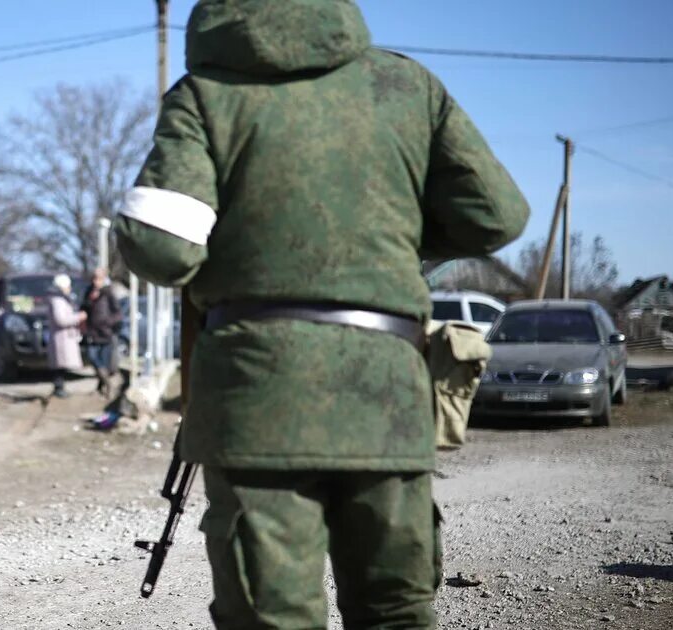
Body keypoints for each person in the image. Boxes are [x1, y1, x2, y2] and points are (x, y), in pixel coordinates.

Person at [114, 1, 530, 628]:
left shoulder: (206, 94)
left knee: (272, 615)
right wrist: (379, 251)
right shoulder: (406, 85)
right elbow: (497, 215)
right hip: (385, 395)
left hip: (258, 397)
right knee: (396, 610)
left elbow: (162, 248)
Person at [81, 268, 122, 397]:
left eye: (98, 278)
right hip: (91, 332)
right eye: (94, 278)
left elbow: (118, 314)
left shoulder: (108, 292)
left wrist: (107, 323)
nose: (95, 281)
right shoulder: (89, 292)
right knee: (93, 358)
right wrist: (90, 301)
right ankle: (108, 384)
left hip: (105, 333)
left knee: (104, 362)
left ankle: (102, 388)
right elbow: (83, 308)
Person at [46, 273, 85, 398]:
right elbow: (61, 319)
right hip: (61, 337)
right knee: (59, 365)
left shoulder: (60, 299)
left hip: (63, 337)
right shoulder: (58, 300)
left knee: (60, 365)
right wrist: (78, 317)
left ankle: (60, 387)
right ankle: (59, 388)